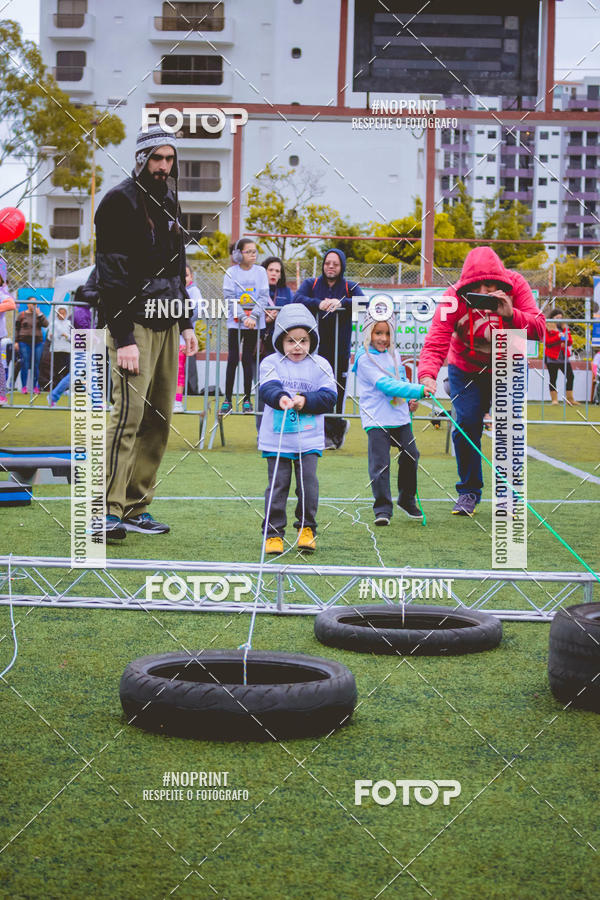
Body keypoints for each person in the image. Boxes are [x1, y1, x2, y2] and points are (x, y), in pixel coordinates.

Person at [95, 123, 198, 540]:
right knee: (127, 418)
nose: (163, 166)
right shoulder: (117, 202)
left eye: (169, 159)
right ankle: (103, 510)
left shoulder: (170, 199)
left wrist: (187, 322)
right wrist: (123, 338)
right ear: (141, 158)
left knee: (158, 418)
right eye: (157, 158)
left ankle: (136, 507)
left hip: (168, 319)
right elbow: (110, 276)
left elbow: (177, 268)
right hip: (133, 322)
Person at [418, 246, 545, 517]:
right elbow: (436, 339)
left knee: (509, 427)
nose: (487, 291)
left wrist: (512, 315)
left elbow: (540, 329)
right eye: (479, 286)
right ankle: (468, 492)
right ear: (468, 285)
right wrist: (427, 374)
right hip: (465, 369)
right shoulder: (452, 297)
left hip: (508, 366)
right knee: (465, 425)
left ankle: (509, 495)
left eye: (492, 285)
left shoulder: (517, 285)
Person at [258, 303, 336, 554]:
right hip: (277, 439)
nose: (297, 346)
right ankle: (273, 533)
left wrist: (304, 400)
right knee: (278, 485)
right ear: (280, 340)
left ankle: (307, 529)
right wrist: (280, 397)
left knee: (308, 485)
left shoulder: (321, 364)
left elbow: (329, 396)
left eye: (303, 340)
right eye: (291, 340)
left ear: (312, 339)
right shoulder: (270, 362)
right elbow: (267, 387)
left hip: (309, 439)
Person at [354, 312, 431, 525]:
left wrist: (409, 400)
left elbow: (401, 379)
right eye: (378, 333)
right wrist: (417, 390)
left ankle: (406, 499)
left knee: (411, 453)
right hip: (377, 418)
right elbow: (386, 385)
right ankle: (382, 509)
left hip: (399, 416)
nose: (383, 338)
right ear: (369, 332)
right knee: (380, 463)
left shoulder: (394, 353)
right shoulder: (364, 358)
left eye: (387, 333)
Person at [294, 248, 364, 449]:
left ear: (341, 266)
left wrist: (341, 302)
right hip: (314, 348)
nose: (330, 267)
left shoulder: (350, 286)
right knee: (315, 388)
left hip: (340, 349)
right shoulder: (311, 284)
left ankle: (335, 430)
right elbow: (297, 299)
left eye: (335, 263)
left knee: (337, 391)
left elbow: (365, 302)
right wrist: (319, 304)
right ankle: (317, 432)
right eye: (327, 263)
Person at [221, 238, 269, 414]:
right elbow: (229, 297)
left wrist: (254, 316)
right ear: (238, 254)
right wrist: (243, 317)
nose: (253, 254)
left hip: (254, 323)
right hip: (236, 323)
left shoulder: (261, 272)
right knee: (233, 359)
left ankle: (247, 399)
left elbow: (263, 296)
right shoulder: (231, 272)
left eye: (254, 251)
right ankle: (227, 399)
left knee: (247, 359)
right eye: (249, 251)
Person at [260, 256, 293, 359]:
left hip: (280, 342)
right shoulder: (256, 290)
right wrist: (264, 321)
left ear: (280, 275)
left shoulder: (287, 292)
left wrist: (279, 316)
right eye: (270, 270)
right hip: (260, 341)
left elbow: (292, 314)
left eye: (277, 271)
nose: (274, 273)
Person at [544, 307, 578, 406]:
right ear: (552, 318)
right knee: (553, 378)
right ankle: (554, 400)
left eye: (561, 318)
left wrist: (566, 337)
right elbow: (547, 342)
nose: (559, 320)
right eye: (557, 318)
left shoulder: (564, 328)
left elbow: (570, 342)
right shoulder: (548, 327)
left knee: (570, 376)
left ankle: (570, 399)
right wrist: (558, 338)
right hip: (552, 358)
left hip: (563, 358)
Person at [14, 298, 48, 394]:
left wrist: (39, 314)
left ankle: (34, 387)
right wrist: (16, 342)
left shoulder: (39, 315)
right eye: (31, 303)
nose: (33, 304)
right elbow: (17, 328)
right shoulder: (22, 315)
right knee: (25, 363)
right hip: (24, 341)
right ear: (28, 304)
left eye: (35, 303)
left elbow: (46, 324)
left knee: (36, 364)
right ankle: (24, 387)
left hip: (38, 342)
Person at [0, 272, 16, 405]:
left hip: (0, 336)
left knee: (0, 366)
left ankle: (1, 396)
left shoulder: (2, 294)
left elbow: (11, 304)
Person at [47, 304, 72, 388]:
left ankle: (65, 387)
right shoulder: (53, 323)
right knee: (56, 369)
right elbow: (49, 337)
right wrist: (51, 336)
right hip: (56, 349)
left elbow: (72, 337)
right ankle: (56, 386)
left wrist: (66, 336)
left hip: (66, 349)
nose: (62, 315)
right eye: (60, 313)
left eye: (63, 313)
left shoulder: (69, 323)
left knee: (67, 369)